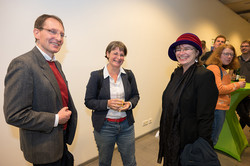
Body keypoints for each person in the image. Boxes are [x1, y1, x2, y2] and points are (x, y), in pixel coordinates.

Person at [3, 14, 77, 166]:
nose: (59, 38)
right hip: (43, 149)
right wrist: (56, 119)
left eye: (62, 34)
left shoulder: (56, 64)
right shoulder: (23, 64)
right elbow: (15, 115)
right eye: (52, 31)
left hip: (60, 141)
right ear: (36, 33)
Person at [157, 33, 219, 165]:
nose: (182, 52)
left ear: (197, 52)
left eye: (187, 48)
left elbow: (206, 116)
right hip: (171, 135)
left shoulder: (204, 76)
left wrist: (202, 144)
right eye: (178, 49)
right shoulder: (176, 74)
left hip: (190, 139)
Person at [84, 41, 140, 166]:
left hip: (126, 126)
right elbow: (88, 101)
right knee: (104, 162)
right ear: (107, 54)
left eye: (122, 54)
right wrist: (107, 104)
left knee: (130, 162)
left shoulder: (129, 75)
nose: (118, 57)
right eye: (115, 53)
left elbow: (136, 96)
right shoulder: (96, 76)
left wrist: (129, 104)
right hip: (105, 127)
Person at [206, 44, 246, 146]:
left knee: (213, 137)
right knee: (212, 138)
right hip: (216, 107)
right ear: (218, 55)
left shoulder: (222, 69)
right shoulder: (214, 68)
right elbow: (219, 89)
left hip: (220, 107)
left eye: (232, 55)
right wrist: (237, 85)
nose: (229, 57)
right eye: (226, 54)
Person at [236, 40, 250, 128]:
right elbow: (231, 73)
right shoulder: (236, 59)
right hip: (239, 90)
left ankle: (240, 132)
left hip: (249, 91)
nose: (243, 48)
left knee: (245, 112)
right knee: (242, 112)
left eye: (246, 46)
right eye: (242, 46)